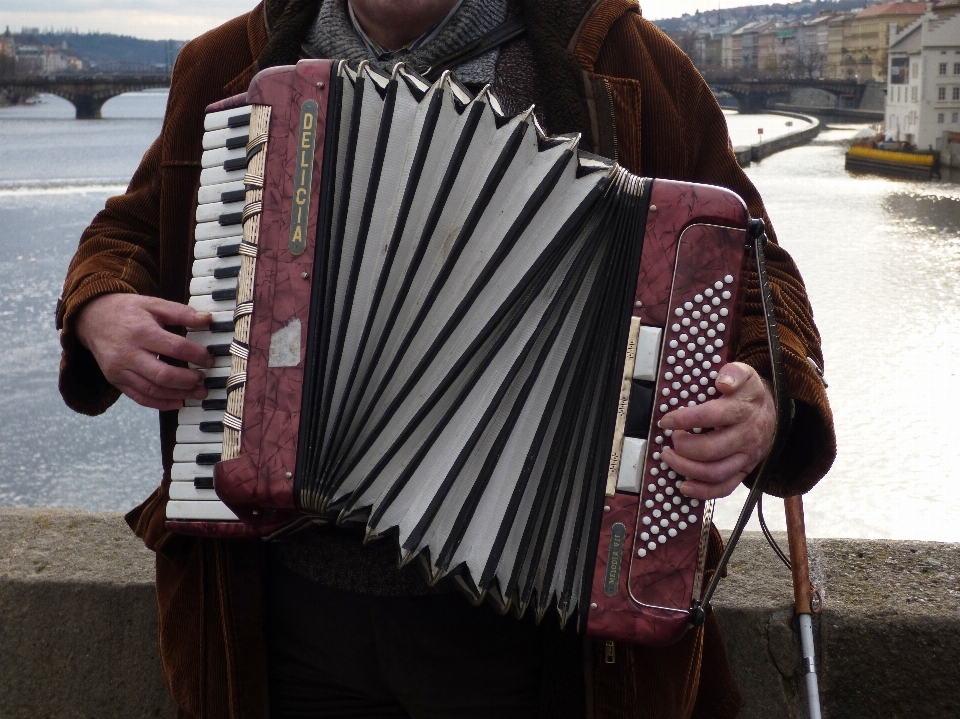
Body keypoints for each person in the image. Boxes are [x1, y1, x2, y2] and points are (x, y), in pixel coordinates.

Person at [56, 1, 837, 717]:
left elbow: (761, 280)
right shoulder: (233, 63)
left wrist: (767, 398)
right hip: (279, 619)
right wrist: (102, 310)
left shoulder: (622, 61)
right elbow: (128, 235)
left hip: (533, 630)